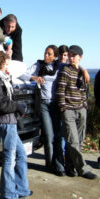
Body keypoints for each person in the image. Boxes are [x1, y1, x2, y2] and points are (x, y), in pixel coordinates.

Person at [0, 50, 32, 199]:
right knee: (10, 157)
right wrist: (18, 106)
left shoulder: (2, 77)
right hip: (5, 121)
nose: (7, 66)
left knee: (20, 154)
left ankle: (22, 189)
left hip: (10, 120)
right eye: (5, 63)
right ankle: (9, 193)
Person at [20, 45, 65, 176]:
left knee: (58, 136)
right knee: (49, 135)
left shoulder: (59, 67)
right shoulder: (39, 65)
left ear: (55, 56)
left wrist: (84, 71)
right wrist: (34, 78)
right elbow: (23, 73)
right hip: (44, 104)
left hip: (56, 104)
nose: (46, 56)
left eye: (49, 54)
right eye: (45, 53)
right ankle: (50, 164)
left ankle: (58, 165)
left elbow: (73, 69)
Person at [56, 45, 97, 179]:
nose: (71, 58)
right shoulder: (65, 71)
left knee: (78, 141)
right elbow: (60, 91)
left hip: (81, 109)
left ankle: (69, 166)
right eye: (69, 55)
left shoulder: (81, 71)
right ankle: (83, 169)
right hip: (68, 110)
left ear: (80, 57)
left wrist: (84, 106)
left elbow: (85, 91)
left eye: (73, 55)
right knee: (73, 140)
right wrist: (64, 108)